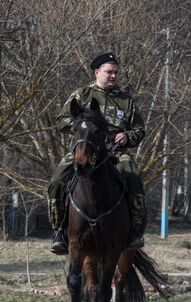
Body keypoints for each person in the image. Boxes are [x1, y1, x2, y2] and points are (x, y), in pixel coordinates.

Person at [48, 52, 147, 255]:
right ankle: (58, 230)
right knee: (57, 181)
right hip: (85, 150)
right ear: (97, 72)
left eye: (116, 72)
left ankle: (134, 230)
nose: (113, 76)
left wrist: (127, 136)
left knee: (134, 177)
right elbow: (60, 121)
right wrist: (82, 124)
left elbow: (139, 130)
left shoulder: (126, 101)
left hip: (115, 153)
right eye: (109, 72)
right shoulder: (81, 94)